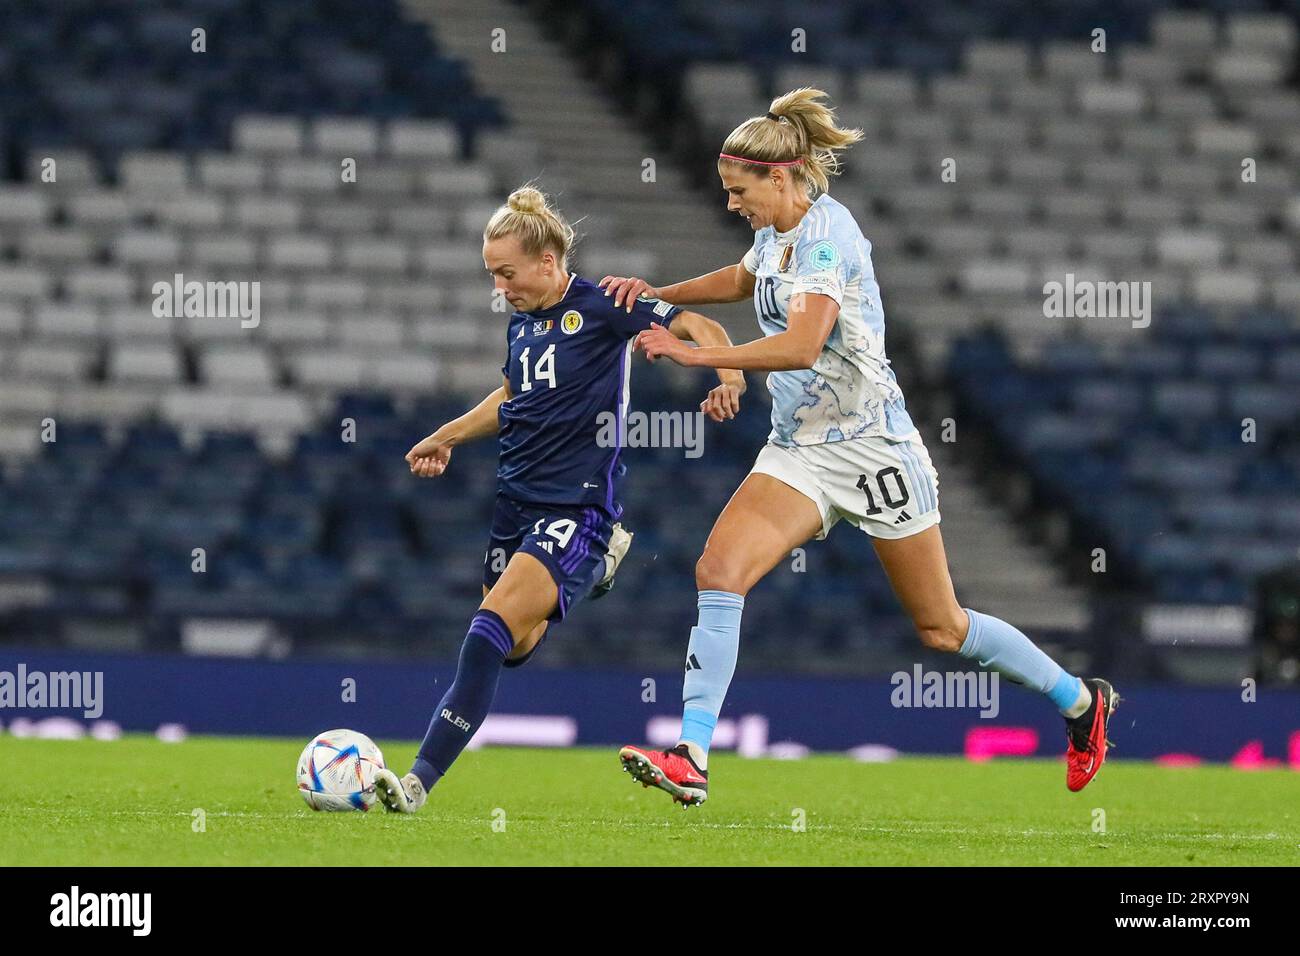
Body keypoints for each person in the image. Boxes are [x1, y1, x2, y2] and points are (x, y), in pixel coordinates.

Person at [604, 89, 1118, 808]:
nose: (731, 205)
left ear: (779, 179)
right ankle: (692, 754)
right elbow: (744, 277)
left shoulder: (826, 236)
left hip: (874, 449)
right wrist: (658, 293)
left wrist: (694, 359)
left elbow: (803, 344)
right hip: (801, 450)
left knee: (942, 627)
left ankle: (1079, 704)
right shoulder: (776, 231)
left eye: (738, 191)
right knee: (719, 570)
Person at [374, 185, 745, 812]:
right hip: (513, 507)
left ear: (548, 262)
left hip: (574, 509)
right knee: (513, 647)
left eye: (507, 273)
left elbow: (693, 320)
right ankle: (593, 570)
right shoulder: (522, 323)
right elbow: (512, 395)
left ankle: (416, 785)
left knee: (484, 632)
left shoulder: (606, 305)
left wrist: (727, 370)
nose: (500, 287)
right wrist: (449, 435)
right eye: (493, 275)